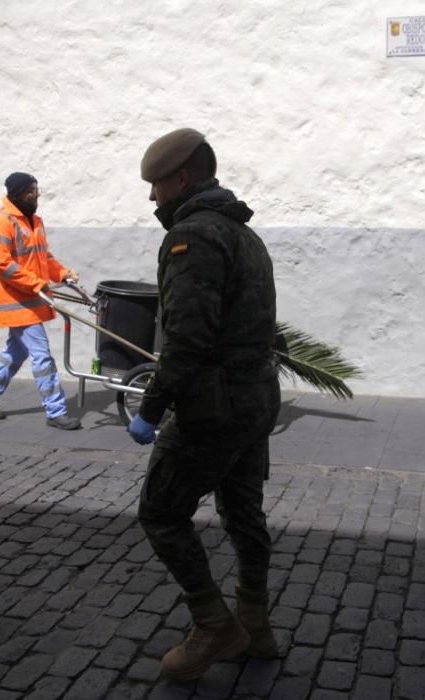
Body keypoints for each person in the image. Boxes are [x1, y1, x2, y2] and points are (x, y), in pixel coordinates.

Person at [130, 128, 282, 681]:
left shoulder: (191, 238)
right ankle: (255, 623)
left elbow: (188, 340)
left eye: (157, 185)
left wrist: (151, 408)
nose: (152, 198)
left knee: (161, 513)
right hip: (256, 398)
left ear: (183, 179)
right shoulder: (245, 235)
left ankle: (215, 624)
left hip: (213, 408)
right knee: (244, 513)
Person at [0, 172, 82, 430]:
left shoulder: (34, 222)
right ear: (18, 193)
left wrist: (63, 274)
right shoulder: (0, 223)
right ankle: (56, 411)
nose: (37, 195)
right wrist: (36, 284)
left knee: (16, 352)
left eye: (37, 189)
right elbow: (1, 264)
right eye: (32, 190)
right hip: (16, 301)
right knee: (42, 356)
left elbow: (44, 258)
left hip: (31, 300)